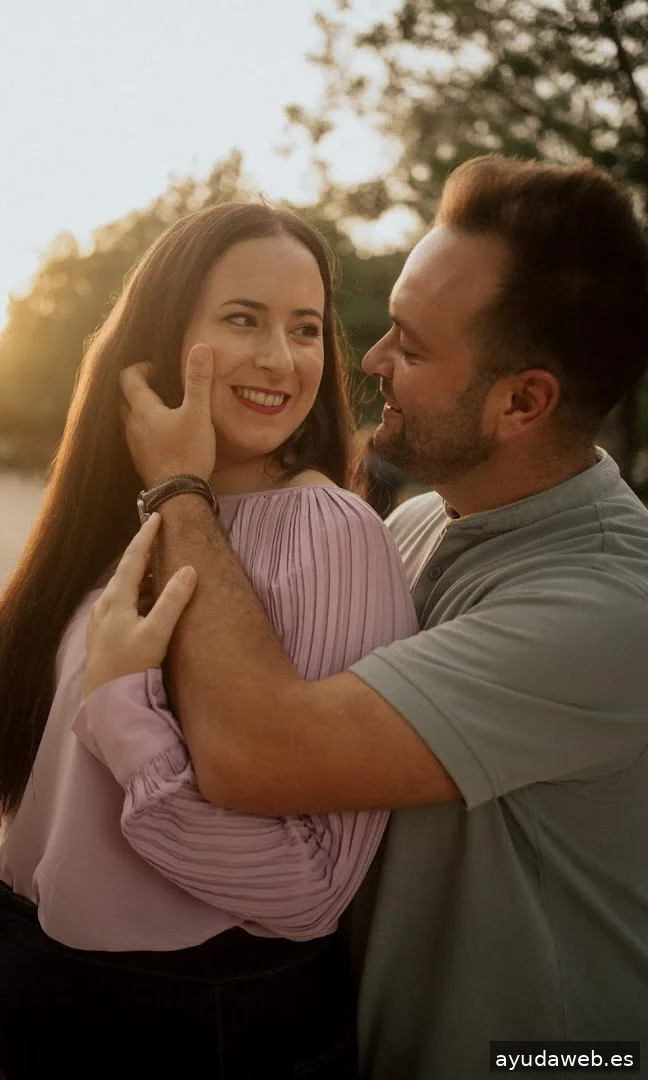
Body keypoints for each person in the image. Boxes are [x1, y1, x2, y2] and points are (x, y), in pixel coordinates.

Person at [108, 155, 648, 1079]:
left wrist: (179, 490)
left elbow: (254, 754)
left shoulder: (608, 605)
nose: (370, 361)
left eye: (411, 344)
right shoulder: (418, 520)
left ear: (524, 402)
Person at [0, 203, 418, 1079]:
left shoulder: (328, 529)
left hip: (195, 1015)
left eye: (305, 329)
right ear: (159, 337)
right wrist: (13, 980)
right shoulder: (136, 511)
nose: (280, 358)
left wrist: (125, 713)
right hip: (31, 966)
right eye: (243, 319)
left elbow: (309, 888)